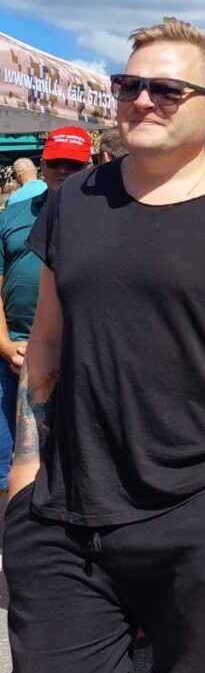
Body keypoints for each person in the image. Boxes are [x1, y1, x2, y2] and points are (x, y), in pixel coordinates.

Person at [4, 17, 205, 673]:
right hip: (66, 509)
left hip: (198, 508)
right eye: (129, 85)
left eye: (167, 89)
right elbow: (48, 340)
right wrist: (27, 471)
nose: (142, 100)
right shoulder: (74, 201)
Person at [0, 127, 91, 505]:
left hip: (77, 355)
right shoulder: (14, 214)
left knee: (73, 455)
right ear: (43, 163)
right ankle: (13, 526)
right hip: (13, 351)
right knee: (7, 457)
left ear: (89, 165)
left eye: (74, 164)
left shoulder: (104, 216)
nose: (64, 171)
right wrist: (6, 345)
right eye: (56, 163)